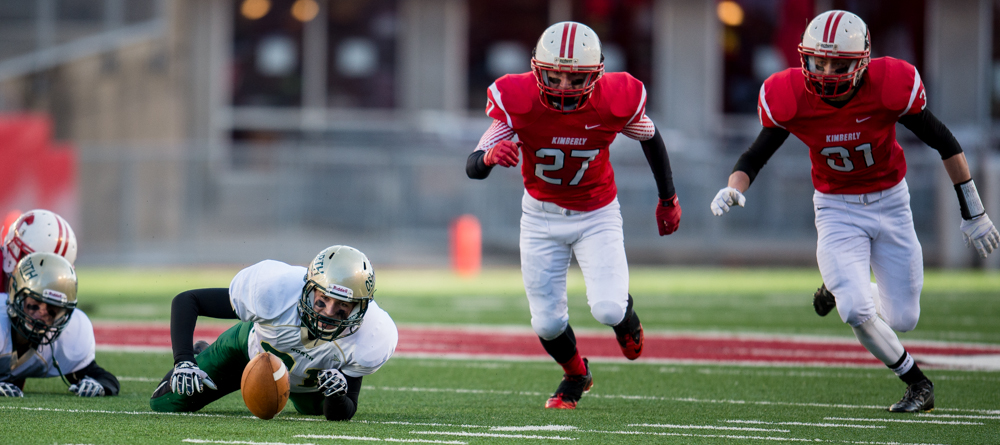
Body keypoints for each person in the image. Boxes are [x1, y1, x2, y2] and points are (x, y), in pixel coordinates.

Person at [710, 10, 999, 413]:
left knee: (904, 318)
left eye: (838, 64)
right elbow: (754, 156)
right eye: (819, 61)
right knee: (856, 310)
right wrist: (733, 186)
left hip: (891, 202)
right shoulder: (790, 95)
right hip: (836, 208)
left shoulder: (889, 86)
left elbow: (945, 143)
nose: (826, 73)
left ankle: (839, 284)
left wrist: (974, 211)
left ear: (862, 63)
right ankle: (917, 383)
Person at [466, 21, 681, 410]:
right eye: (555, 76)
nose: (564, 85)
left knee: (608, 308)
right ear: (538, 70)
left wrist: (668, 198)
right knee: (546, 323)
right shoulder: (519, 99)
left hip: (596, 214)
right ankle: (576, 374)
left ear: (596, 75)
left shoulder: (615, 99)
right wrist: (490, 157)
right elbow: (473, 165)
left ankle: (625, 316)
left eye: (575, 77)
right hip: (540, 217)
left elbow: (650, 137)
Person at [149, 245, 397, 421]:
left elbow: (344, 411)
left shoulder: (373, 334)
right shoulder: (276, 288)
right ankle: (202, 354)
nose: (329, 312)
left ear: (360, 307)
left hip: (310, 386)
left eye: (343, 305)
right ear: (309, 288)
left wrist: (337, 394)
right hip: (247, 353)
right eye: (323, 299)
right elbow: (188, 300)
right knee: (165, 403)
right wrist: (183, 360)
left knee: (318, 411)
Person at [0, 252, 119, 397]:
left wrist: (98, 385)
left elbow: (103, 377)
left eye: (52, 308)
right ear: (16, 295)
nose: (42, 313)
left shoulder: (69, 334)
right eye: (35, 303)